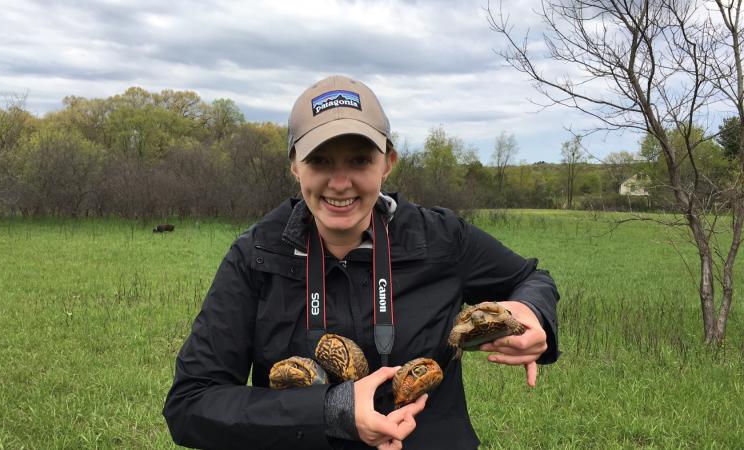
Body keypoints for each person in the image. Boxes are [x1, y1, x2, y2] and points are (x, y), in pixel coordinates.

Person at [163, 75, 560, 449]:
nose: (340, 183)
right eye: (319, 161)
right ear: (295, 165)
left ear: (387, 162)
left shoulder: (440, 239)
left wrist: (533, 311)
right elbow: (191, 403)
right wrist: (330, 412)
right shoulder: (257, 255)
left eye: (359, 160)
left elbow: (530, 278)